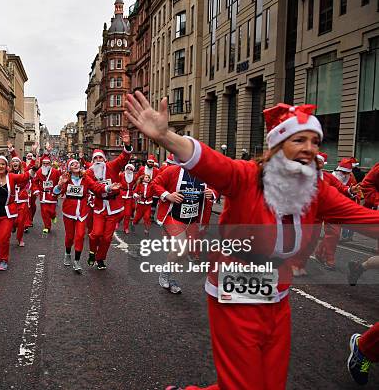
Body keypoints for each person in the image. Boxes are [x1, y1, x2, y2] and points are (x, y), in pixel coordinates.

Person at [124, 92, 379, 390]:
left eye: (315, 141)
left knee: (268, 384)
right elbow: (209, 161)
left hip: (278, 293)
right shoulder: (246, 176)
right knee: (244, 385)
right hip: (235, 286)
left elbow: (365, 219)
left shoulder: (316, 189)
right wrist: (166, 136)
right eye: (299, 140)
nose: (309, 149)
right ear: (277, 146)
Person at [152, 159, 215, 294]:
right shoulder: (172, 170)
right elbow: (155, 183)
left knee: (184, 253)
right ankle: (165, 274)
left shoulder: (205, 174)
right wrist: (168, 195)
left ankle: (171, 278)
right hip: (173, 217)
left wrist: (213, 193)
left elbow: (218, 185)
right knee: (181, 248)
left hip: (192, 220)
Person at [53, 158, 116, 272]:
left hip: (82, 212)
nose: (76, 164)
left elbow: (96, 186)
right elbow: (55, 193)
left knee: (80, 235)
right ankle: (67, 253)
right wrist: (59, 184)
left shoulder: (85, 178)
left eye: (77, 163)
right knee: (70, 237)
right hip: (69, 212)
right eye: (73, 164)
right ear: (69, 168)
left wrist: (108, 187)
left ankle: (77, 261)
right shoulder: (65, 178)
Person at [86, 130, 133, 270]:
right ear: (92, 161)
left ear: (104, 159)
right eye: (95, 159)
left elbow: (124, 158)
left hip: (113, 207)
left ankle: (101, 259)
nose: (98, 160)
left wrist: (127, 144)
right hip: (99, 207)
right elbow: (93, 187)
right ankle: (92, 252)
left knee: (107, 238)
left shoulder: (111, 166)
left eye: (100, 158)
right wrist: (107, 188)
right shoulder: (89, 172)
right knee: (95, 234)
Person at [35, 144, 60, 235]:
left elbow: (59, 181)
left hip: (52, 195)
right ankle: (47, 227)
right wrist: (36, 190)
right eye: (44, 164)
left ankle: (53, 216)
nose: (45, 165)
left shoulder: (56, 172)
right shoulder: (39, 172)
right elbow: (35, 182)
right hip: (43, 195)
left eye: (47, 163)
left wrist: (59, 190)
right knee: (44, 212)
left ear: (50, 164)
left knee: (52, 211)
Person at [119, 163, 137, 234]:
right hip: (121, 195)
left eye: (130, 169)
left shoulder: (134, 177)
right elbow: (116, 182)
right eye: (127, 168)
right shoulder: (121, 175)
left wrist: (136, 193)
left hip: (129, 196)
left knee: (128, 214)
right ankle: (117, 221)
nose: (129, 170)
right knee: (121, 213)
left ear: (132, 170)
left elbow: (138, 185)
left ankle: (126, 228)